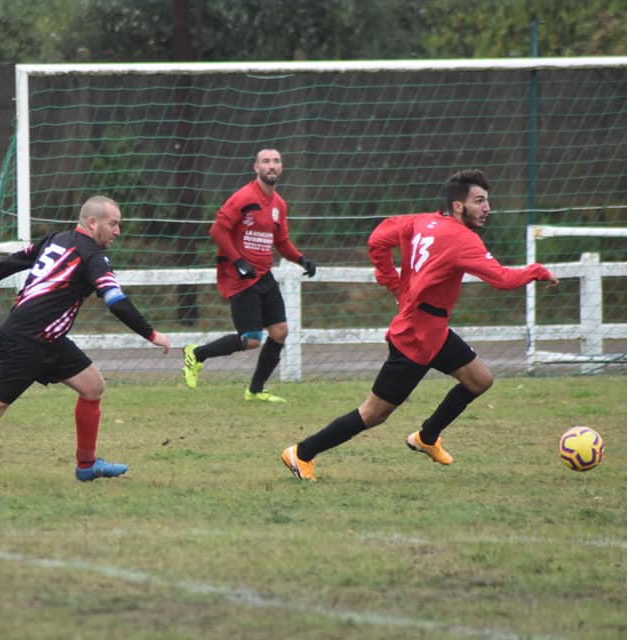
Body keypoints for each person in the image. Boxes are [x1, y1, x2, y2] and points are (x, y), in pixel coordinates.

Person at [281, 169, 558, 481]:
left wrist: (394, 285)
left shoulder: (422, 221)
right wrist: (537, 271)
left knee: (479, 380)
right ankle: (302, 453)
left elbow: (377, 240)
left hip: (433, 330)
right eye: (479, 201)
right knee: (373, 413)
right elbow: (503, 279)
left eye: (487, 201)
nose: (487, 208)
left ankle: (427, 437)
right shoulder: (463, 239)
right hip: (415, 338)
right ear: (458, 206)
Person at [0, 195, 171, 488]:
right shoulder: (92, 256)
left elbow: (21, 257)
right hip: (27, 339)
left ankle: (87, 465)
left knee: (93, 386)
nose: (117, 231)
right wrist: (151, 334)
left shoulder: (58, 239)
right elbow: (115, 301)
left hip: (48, 338)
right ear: (93, 223)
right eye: (113, 224)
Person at [182, 148, 316, 402]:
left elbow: (281, 241)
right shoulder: (244, 197)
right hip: (240, 275)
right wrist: (239, 262)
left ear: (281, 167)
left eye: (276, 161)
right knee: (252, 340)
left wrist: (301, 259)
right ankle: (196, 354)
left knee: (280, 331)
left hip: (263, 275)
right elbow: (217, 231)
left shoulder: (279, 204)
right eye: (266, 161)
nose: (271, 165)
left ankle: (255, 391)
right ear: (256, 167)